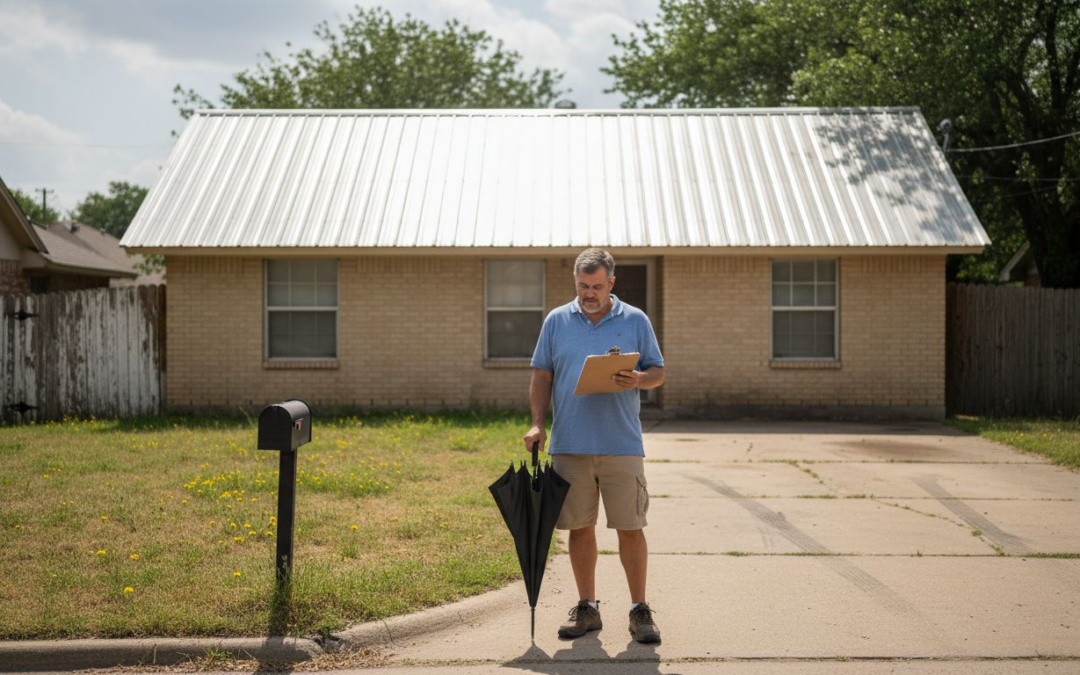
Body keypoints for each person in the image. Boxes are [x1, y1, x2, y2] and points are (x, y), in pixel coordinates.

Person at [523, 248, 665, 644]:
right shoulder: (556, 321)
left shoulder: (635, 319)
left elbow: (658, 371)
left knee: (630, 528)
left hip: (621, 444)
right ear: (575, 283)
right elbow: (542, 374)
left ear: (611, 284)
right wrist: (537, 424)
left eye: (597, 286)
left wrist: (639, 379)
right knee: (579, 529)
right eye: (583, 286)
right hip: (570, 445)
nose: (590, 293)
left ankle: (640, 610)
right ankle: (587, 607)